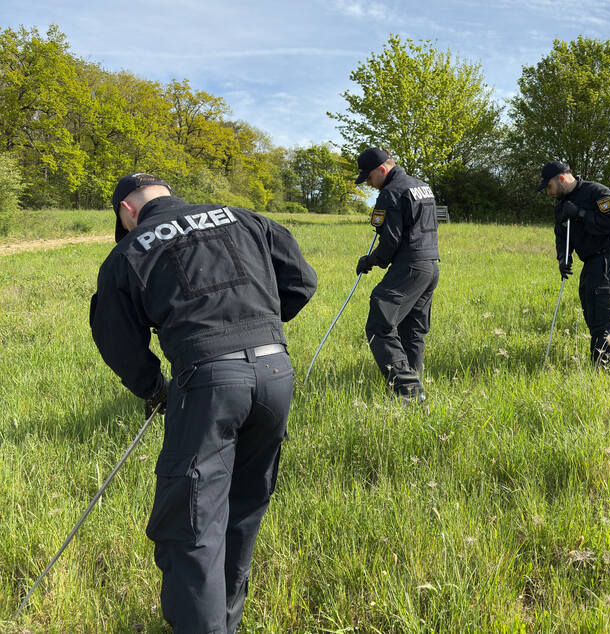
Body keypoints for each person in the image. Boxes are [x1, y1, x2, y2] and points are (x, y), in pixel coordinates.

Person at [90, 173, 318, 632]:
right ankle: (223, 621)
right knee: (242, 503)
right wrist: (259, 325)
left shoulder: (129, 250)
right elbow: (301, 281)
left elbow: (114, 336)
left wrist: (153, 388)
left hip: (209, 383)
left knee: (190, 522)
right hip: (277, 373)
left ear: (128, 212)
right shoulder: (248, 219)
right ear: (167, 194)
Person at [538, 160, 610, 364]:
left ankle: (605, 369)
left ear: (561, 178)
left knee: (603, 318)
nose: (548, 193)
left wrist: (581, 213)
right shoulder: (561, 205)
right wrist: (563, 258)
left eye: (549, 187)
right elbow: (561, 234)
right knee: (593, 315)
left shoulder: (598, 193)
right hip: (591, 262)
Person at [354, 147, 439, 406]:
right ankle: (415, 388)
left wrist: (370, 260)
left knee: (379, 324)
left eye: (369, 178)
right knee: (412, 330)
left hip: (409, 266)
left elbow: (390, 244)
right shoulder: (421, 186)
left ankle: (407, 389)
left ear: (382, 169)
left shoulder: (390, 193)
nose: (368, 184)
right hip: (431, 266)